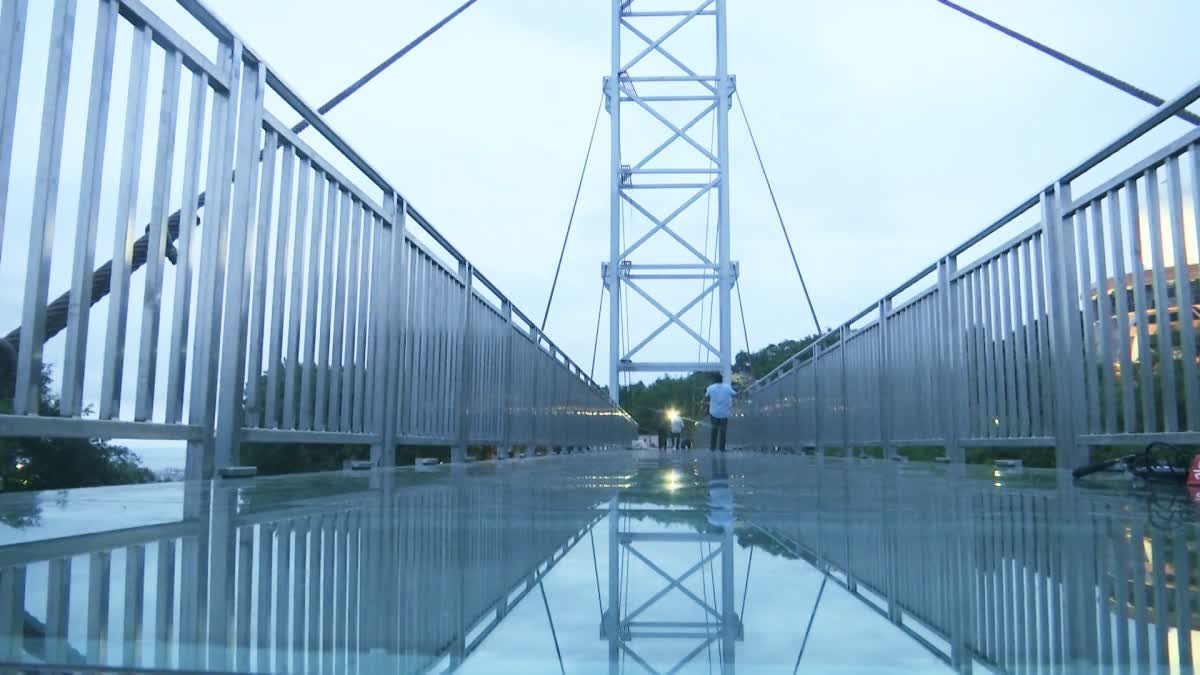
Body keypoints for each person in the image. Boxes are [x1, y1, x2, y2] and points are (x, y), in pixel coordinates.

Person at [704, 373, 735, 451]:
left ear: (714, 380)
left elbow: (706, 396)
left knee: (714, 431)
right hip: (724, 413)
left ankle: (712, 447)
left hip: (714, 413)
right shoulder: (727, 388)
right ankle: (722, 448)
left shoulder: (710, 388)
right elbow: (735, 394)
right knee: (723, 432)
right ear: (722, 380)